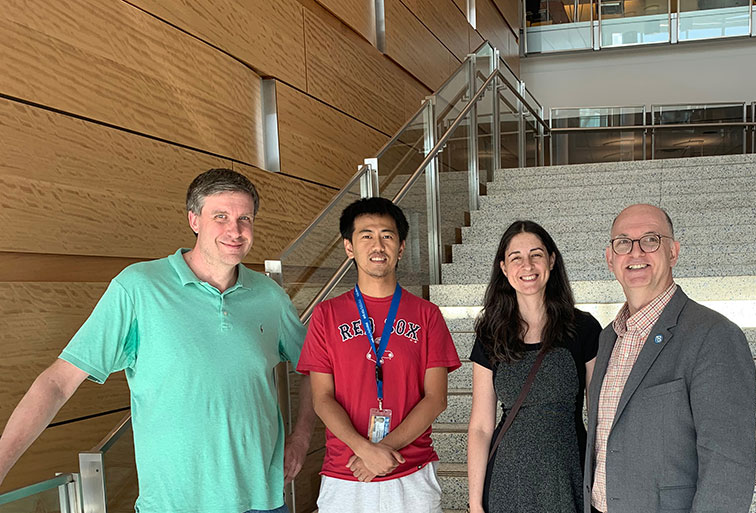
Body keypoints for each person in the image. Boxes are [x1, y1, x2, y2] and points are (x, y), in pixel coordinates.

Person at [0, 168, 314, 513]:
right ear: (194, 219)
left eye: (245, 218)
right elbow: (58, 383)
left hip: (263, 501)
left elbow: (314, 367)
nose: (235, 231)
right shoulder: (138, 287)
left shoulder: (269, 297)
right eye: (220, 216)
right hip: (174, 504)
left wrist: (301, 439)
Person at [584, 204, 756, 513]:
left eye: (650, 240)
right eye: (623, 242)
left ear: (673, 252)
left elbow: (728, 465)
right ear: (610, 259)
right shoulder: (608, 336)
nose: (635, 253)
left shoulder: (714, 336)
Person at [297, 197, 461, 513]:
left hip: (412, 470)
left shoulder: (427, 314)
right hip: (346, 471)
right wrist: (363, 450)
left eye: (387, 235)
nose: (378, 245)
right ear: (349, 247)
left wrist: (381, 451)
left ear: (400, 248)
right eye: (366, 235)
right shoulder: (326, 315)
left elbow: (436, 398)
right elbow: (322, 398)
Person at [468, 220, 602, 513]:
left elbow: (598, 417)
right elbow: (480, 427)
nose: (527, 265)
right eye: (516, 257)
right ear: (504, 268)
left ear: (551, 260)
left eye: (536, 254)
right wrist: (475, 503)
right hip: (506, 479)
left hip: (566, 473)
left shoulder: (584, 328)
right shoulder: (491, 333)